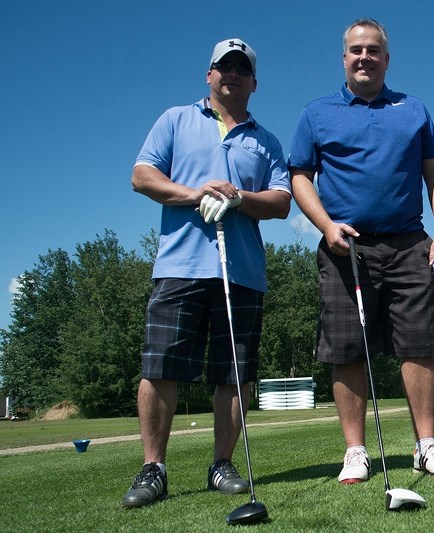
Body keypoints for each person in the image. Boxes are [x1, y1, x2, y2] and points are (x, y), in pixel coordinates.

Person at [289, 18, 434, 484]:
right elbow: (300, 175)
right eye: (355, 50)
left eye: (373, 50)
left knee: (420, 345)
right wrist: (325, 225)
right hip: (346, 247)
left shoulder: (414, 109)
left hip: (409, 243)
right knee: (347, 349)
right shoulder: (317, 113)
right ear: (344, 58)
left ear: (387, 58)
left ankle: (426, 445)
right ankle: (356, 451)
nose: (364, 57)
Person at [122, 38, 292, 508]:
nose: (231, 75)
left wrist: (239, 197)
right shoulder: (175, 119)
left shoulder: (266, 140)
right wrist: (196, 193)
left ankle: (222, 464)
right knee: (160, 368)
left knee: (232, 375)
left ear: (254, 82)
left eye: (241, 69)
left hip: (241, 273)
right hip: (179, 266)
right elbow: (142, 176)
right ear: (209, 74)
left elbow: (281, 202)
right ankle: (153, 468)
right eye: (224, 67)